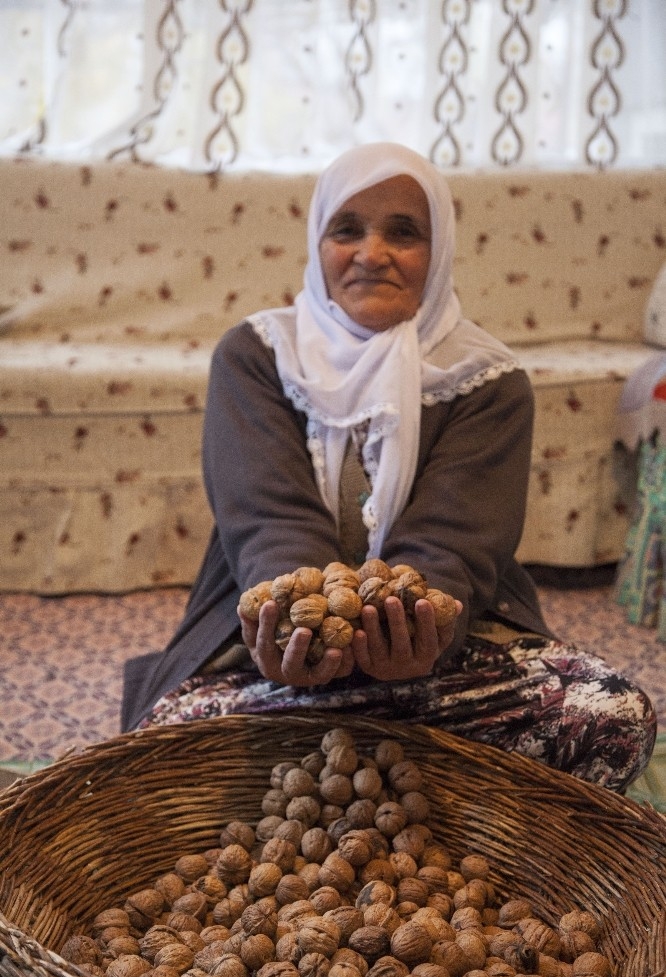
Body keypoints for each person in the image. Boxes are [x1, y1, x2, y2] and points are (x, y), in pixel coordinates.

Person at [122, 142, 656, 793]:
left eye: (404, 233)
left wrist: (420, 634)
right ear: (318, 245)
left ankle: (332, 770)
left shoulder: (489, 382)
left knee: (612, 715)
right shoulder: (257, 357)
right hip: (273, 666)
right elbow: (268, 522)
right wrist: (301, 632)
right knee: (166, 745)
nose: (371, 254)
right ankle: (419, 773)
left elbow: (452, 548)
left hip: (446, 656)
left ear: (439, 253)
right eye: (346, 230)